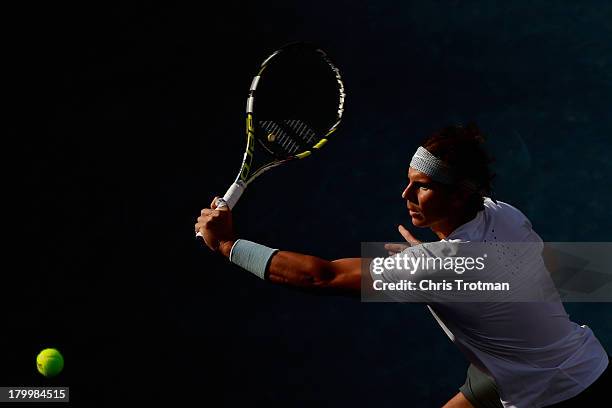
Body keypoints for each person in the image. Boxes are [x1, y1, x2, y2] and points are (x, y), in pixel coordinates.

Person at [195, 123, 610, 407]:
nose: (406, 193)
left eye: (423, 187)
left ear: (460, 194)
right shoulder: (503, 213)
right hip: (567, 358)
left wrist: (228, 244)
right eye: (409, 180)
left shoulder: (436, 266)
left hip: (553, 395)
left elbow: (321, 276)